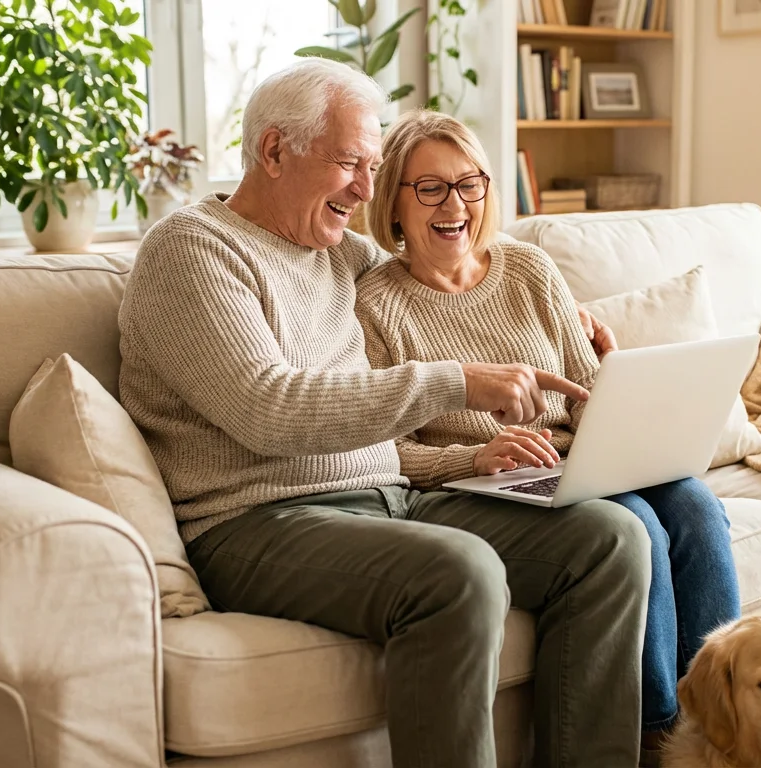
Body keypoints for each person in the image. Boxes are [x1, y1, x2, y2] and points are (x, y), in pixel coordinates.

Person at [117, 58, 651, 768]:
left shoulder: (343, 253)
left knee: (610, 541)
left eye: (373, 167)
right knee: (460, 572)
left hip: (393, 497)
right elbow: (268, 408)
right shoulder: (191, 252)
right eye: (350, 164)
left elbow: (444, 284)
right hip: (255, 521)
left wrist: (569, 323)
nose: (368, 190)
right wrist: (455, 382)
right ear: (275, 151)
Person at [353, 108, 742, 763]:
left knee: (698, 509)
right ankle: (661, 735)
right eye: (430, 188)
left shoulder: (529, 271)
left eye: (469, 183)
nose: (455, 205)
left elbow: (588, 395)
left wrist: (620, 387)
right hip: (483, 486)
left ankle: (731, 729)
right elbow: (378, 451)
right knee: (637, 526)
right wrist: (471, 455)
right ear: (393, 202)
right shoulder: (375, 307)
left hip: (581, 461)